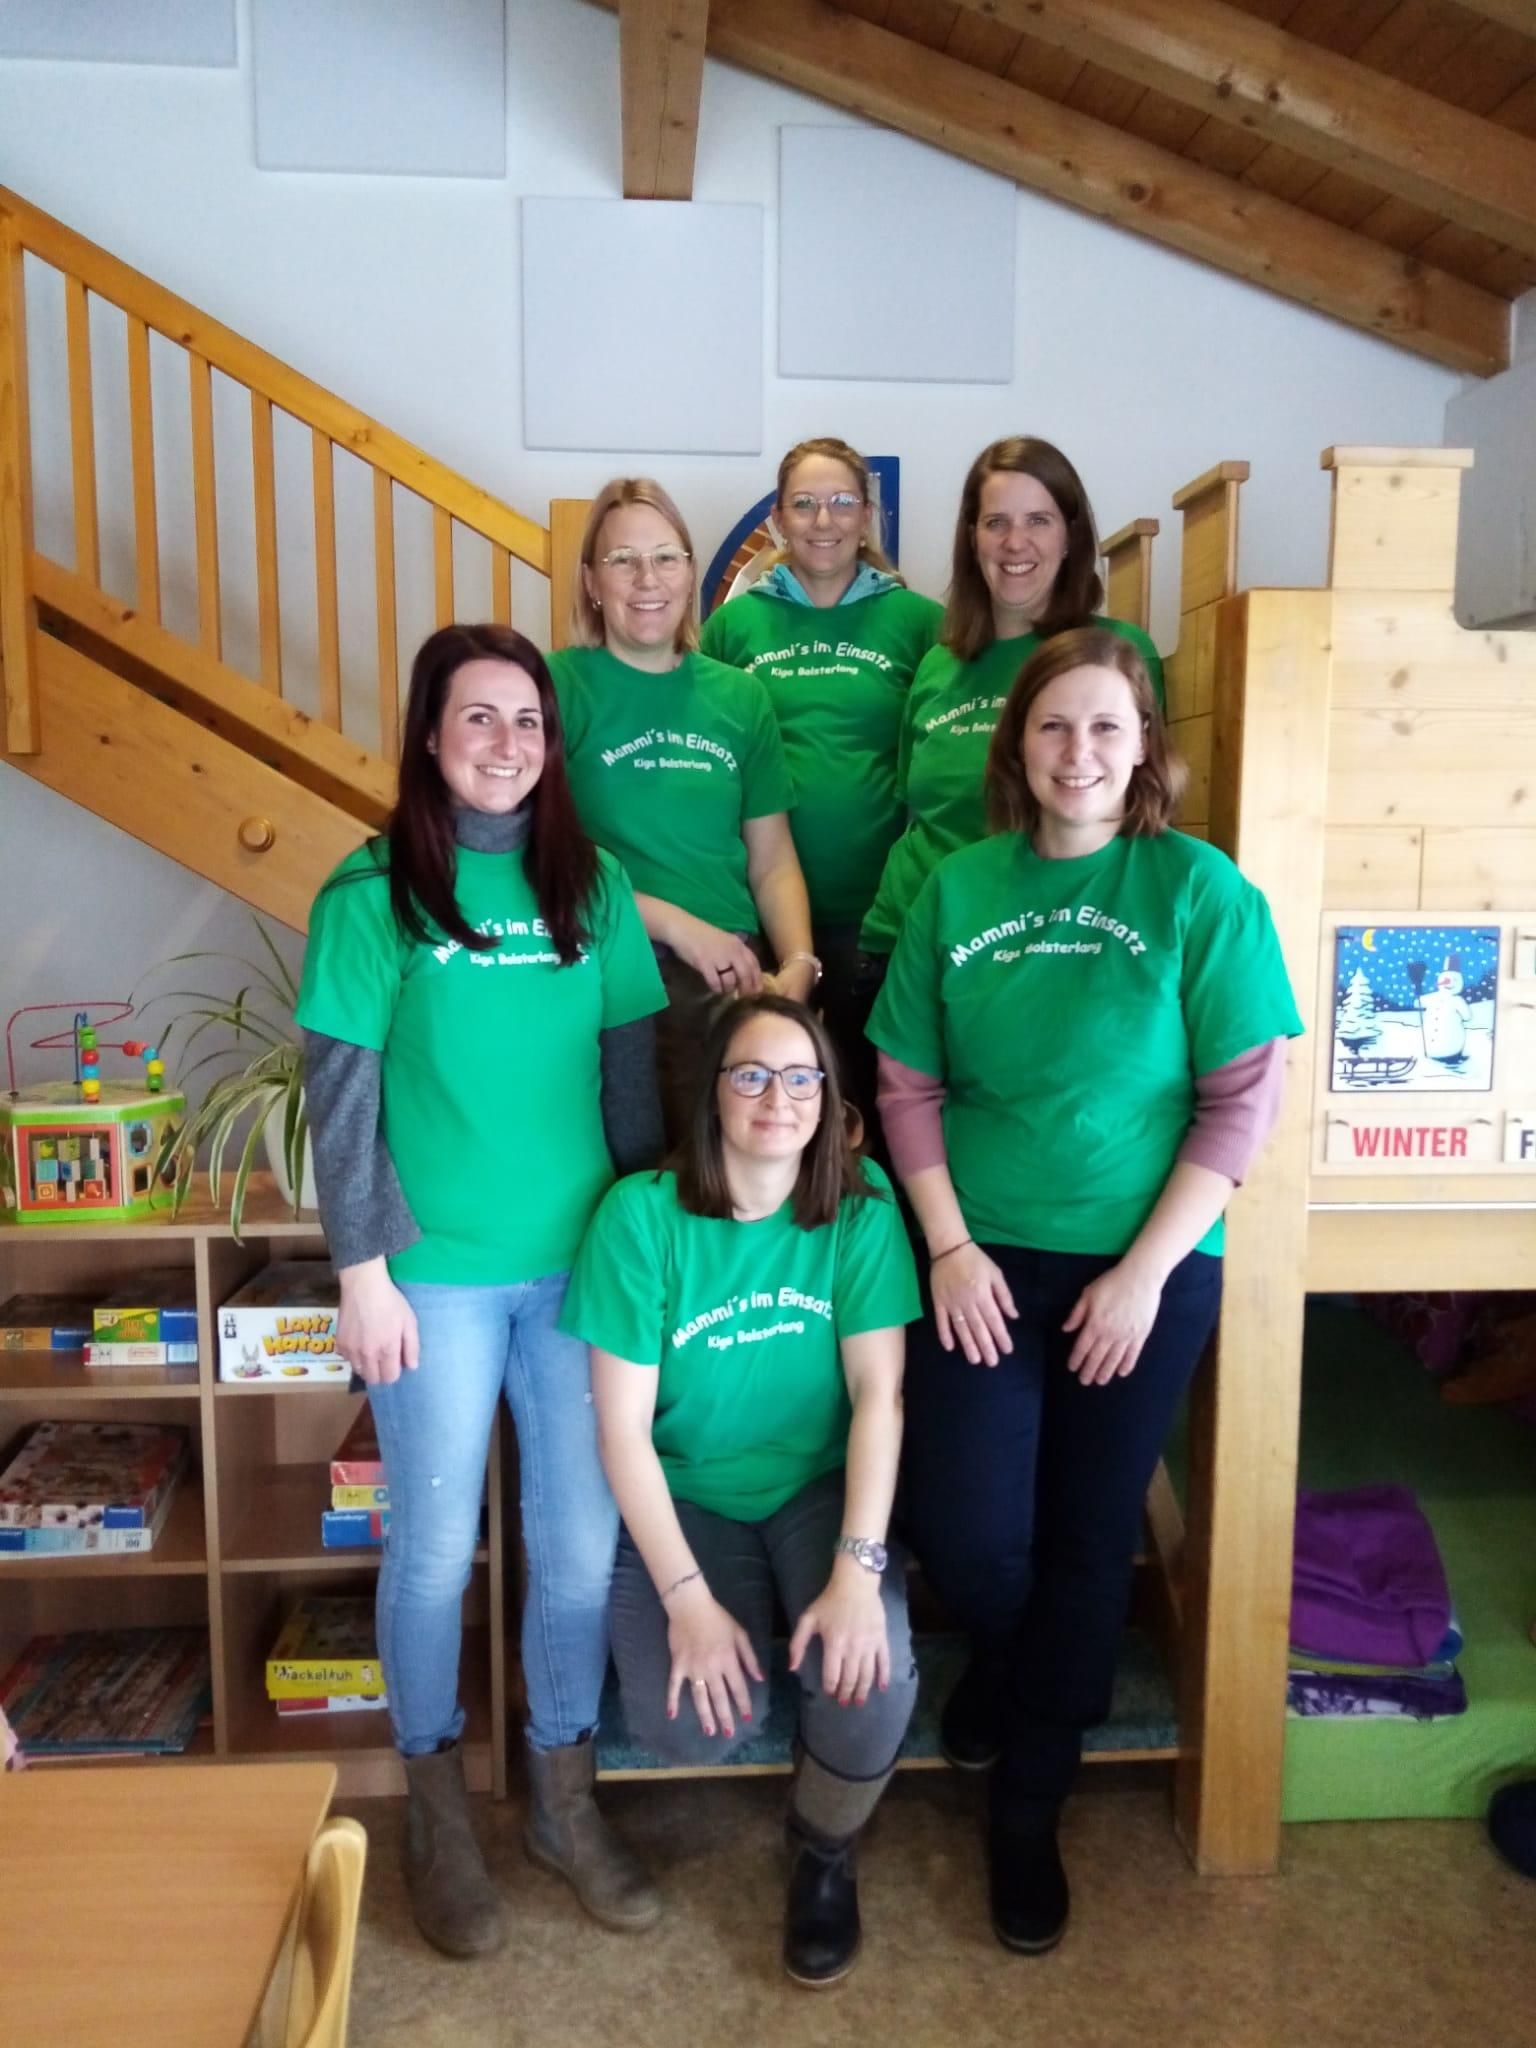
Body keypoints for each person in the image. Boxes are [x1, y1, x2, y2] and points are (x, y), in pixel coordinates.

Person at [867, 626, 1302, 1955]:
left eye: (1108, 727)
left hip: (1146, 1271)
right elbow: (904, 1082)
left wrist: (1142, 1273)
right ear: (1018, 747)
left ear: (1146, 749)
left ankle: (1027, 1812)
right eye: (1055, 727)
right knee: (968, 1533)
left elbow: (1242, 1100)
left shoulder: (1201, 892)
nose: (1079, 753)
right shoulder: (957, 886)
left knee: (1083, 1534)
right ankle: (1013, 1666)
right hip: (978, 1264)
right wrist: (945, 1245)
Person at [296, 623, 669, 1958]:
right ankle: (434, 1802)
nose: (506, 743)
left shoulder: (595, 885)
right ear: (430, 734)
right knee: (436, 1550)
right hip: (430, 1286)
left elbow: (633, 1079)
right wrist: (361, 1272)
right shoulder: (373, 889)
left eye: (528, 721)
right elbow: (340, 1099)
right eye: (478, 718)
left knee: (579, 1549)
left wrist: (648, 1257)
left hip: (578, 1276)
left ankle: (563, 1799)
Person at [563, 994, 920, 1987]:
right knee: (689, 1723)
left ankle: (824, 1844)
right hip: (688, 1498)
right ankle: (746, 1629)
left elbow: (878, 1395)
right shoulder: (641, 1215)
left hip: (815, 1485)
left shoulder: (863, 1203)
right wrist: (686, 1600)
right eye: (752, 1074)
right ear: (713, 1092)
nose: (779, 1097)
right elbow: (620, 1429)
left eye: (802, 1076)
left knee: (872, 1673)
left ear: (829, 1096)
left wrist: (858, 1570)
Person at [549, 479, 817, 1139]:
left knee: (731, 1184)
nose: (648, 578)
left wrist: (799, 967)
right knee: (638, 1177)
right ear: (590, 580)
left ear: (691, 571)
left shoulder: (740, 697)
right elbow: (536, 858)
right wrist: (674, 925)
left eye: (666, 557)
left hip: (732, 972)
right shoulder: (554, 687)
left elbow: (772, 858)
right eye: (622, 560)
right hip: (610, 965)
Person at [859, 435, 1165, 973]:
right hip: (903, 941)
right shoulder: (938, 664)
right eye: (995, 522)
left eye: (1038, 521)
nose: (1014, 542)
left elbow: (1143, 814)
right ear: (972, 539)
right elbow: (917, 805)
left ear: (1071, 536)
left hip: (1039, 949)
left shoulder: (1116, 654)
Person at [701, 437, 942, 1116]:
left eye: (841, 502)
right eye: (804, 504)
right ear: (778, 518)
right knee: (768, 1099)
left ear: (867, 515)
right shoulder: (734, 625)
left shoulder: (920, 623)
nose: (824, 519)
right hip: (762, 908)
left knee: (876, 1101)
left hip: (881, 912)